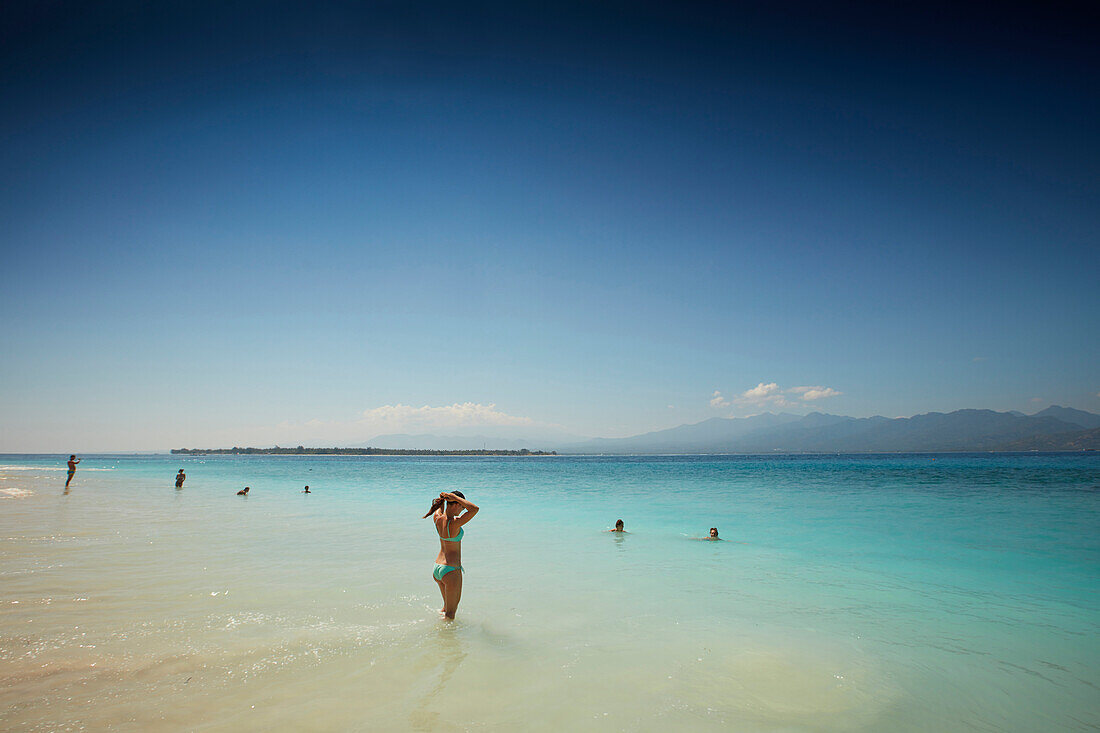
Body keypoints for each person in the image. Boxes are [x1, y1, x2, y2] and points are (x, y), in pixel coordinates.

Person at [424, 491, 479, 619]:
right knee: (450, 615)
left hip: (438, 568)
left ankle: (441, 635)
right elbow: (475, 509)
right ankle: (445, 637)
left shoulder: (438, 519)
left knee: (445, 609)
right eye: (462, 506)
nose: (463, 509)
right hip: (451, 570)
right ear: (456, 504)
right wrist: (454, 497)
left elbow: (438, 508)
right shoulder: (454, 523)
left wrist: (446, 500)